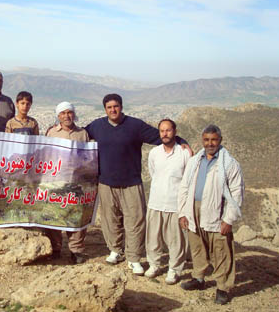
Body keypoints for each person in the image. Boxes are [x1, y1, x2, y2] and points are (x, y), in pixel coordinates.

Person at [85, 93, 190, 275]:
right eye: (109, 107)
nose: (113, 110)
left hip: (131, 182)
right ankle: (116, 250)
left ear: (121, 107)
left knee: (135, 221)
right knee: (110, 220)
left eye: (116, 106)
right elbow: (80, 137)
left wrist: (182, 141)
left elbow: (161, 136)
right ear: (105, 109)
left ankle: (134, 258)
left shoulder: (135, 125)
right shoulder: (97, 126)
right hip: (106, 182)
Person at [178, 125, 244, 305]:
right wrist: (183, 212)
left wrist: (228, 219)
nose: (210, 143)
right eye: (206, 140)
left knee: (221, 251)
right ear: (202, 141)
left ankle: (223, 287)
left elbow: (237, 193)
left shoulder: (229, 164)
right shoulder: (195, 161)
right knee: (197, 246)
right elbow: (184, 187)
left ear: (220, 140)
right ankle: (198, 278)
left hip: (217, 211)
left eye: (213, 140)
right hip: (194, 209)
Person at [145, 118, 190, 284]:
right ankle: (154, 265)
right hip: (156, 202)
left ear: (175, 132)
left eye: (168, 130)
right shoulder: (154, 153)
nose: (165, 133)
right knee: (153, 237)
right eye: (162, 131)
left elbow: (188, 179)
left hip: (175, 204)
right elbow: (153, 173)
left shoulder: (184, 153)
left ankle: (174, 269)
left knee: (176, 239)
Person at [45, 102, 90, 264]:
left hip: (77, 182)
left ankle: (76, 250)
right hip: (56, 181)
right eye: (63, 113)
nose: (66, 116)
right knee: (54, 215)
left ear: (74, 114)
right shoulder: (51, 133)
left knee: (76, 216)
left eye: (69, 113)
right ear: (58, 116)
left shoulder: (83, 133)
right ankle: (55, 248)